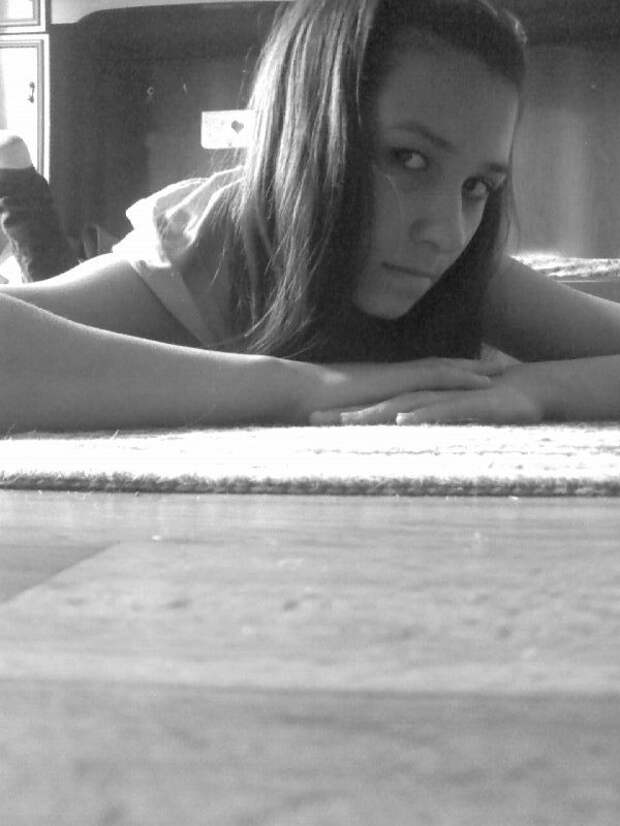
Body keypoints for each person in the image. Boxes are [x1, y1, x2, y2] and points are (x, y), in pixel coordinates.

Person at [2, 0, 620, 433]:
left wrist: (538, 390)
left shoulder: (463, 269)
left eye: (477, 186)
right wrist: (300, 385)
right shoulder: (208, 256)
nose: (447, 233)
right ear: (307, 136)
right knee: (51, 268)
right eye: (408, 159)